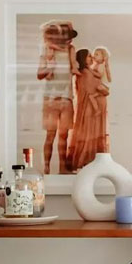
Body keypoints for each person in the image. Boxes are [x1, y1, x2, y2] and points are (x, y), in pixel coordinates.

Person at [37, 21, 79, 174]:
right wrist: (50, 66)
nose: (68, 40)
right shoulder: (47, 52)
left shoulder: (70, 50)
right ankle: (46, 168)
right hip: (51, 99)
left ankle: (62, 168)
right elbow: (39, 74)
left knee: (63, 136)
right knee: (50, 135)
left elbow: (75, 69)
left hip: (66, 98)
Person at [68, 48, 110, 171]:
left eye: (92, 56)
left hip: (93, 107)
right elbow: (99, 88)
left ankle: (90, 160)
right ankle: (87, 160)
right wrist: (104, 90)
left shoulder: (88, 71)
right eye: (89, 56)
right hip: (90, 108)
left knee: (91, 134)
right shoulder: (86, 73)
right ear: (83, 59)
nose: (91, 58)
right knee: (90, 133)